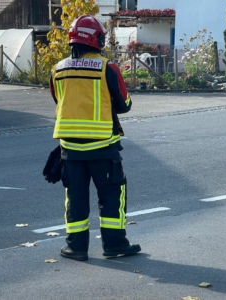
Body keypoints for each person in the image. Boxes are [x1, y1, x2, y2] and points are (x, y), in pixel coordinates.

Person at [48, 14, 141, 261]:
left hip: (70, 150)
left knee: (75, 199)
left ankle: (75, 247)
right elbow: (124, 105)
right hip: (103, 148)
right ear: (97, 39)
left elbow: (59, 101)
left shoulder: (57, 69)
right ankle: (114, 245)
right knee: (111, 197)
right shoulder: (107, 68)